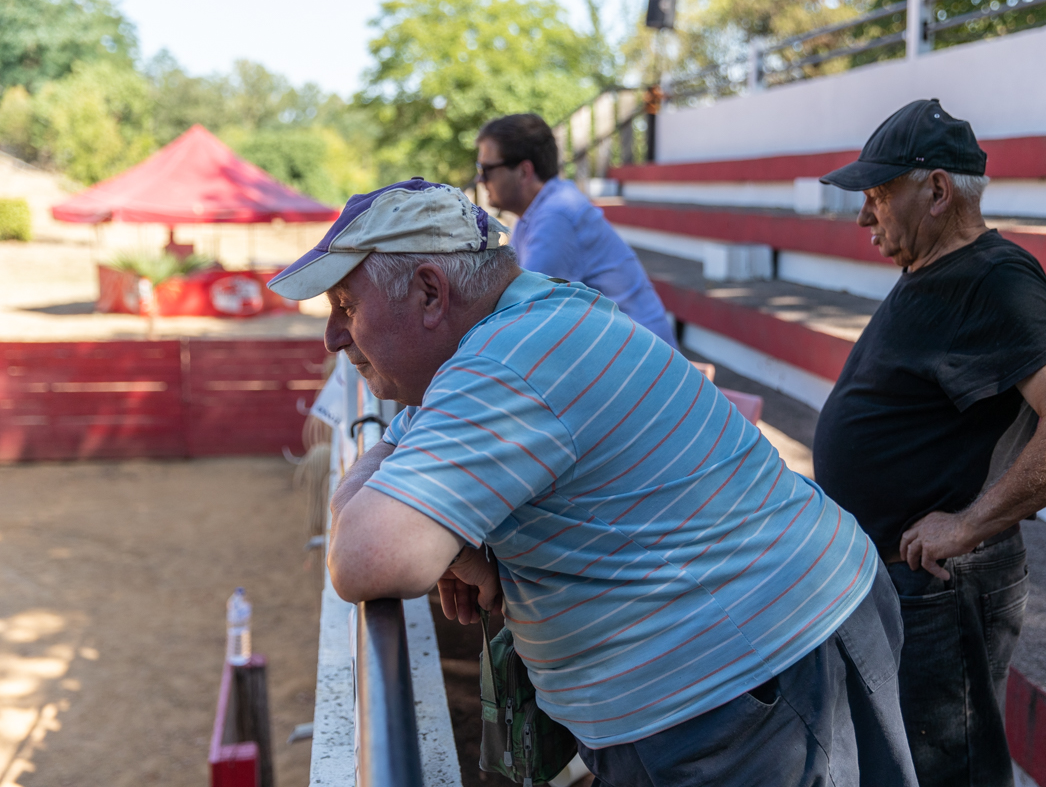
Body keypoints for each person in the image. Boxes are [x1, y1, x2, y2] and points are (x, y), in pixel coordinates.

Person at [268, 178, 918, 787]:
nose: (331, 336)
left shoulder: (505, 362)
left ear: (432, 293)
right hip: (766, 646)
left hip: (746, 678)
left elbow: (364, 557)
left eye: (346, 306)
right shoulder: (529, 317)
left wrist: (387, 473)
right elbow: (403, 470)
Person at [811, 99, 1046, 787]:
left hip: (940, 589)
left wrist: (969, 523)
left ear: (937, 190)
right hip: (899, 583)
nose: (864, 216)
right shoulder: (932, 269)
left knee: (954, 776)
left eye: (877, 195)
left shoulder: (994, 276)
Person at [475, 113, 678, 346]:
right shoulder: (534, 213)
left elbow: (519, 312)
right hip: (625, 350)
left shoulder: (557, 215)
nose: (480, 180)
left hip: (643, 362)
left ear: (524, 171)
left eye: (486, 169)